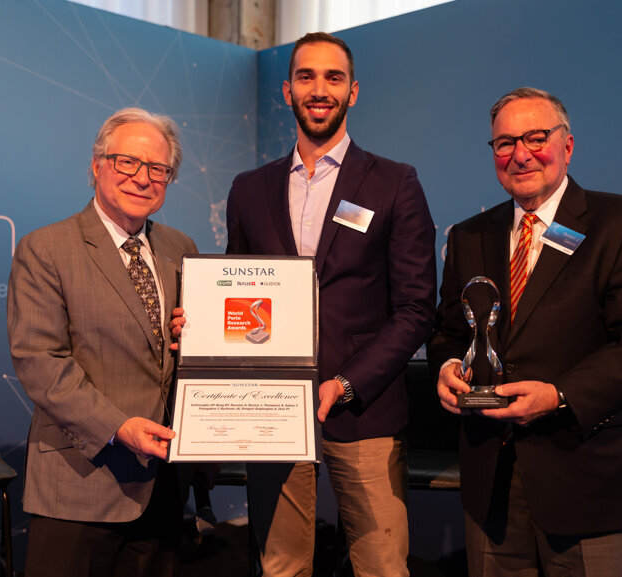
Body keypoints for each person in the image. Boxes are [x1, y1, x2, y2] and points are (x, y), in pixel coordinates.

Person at [173, 32, 436, 577]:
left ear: (354, 92)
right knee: (282, 566)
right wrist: (198, 326)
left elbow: (415, 309)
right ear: (287, 91)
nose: (320, 89)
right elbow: (240, 297)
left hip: (364, 410)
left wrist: (346, 384)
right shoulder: (249, 187)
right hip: (272, 412)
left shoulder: (394, 183)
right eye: (307, 77)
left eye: (334, 78)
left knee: (382, 566)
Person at [428, 87, 622, 577]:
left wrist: (558, 394)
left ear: (568, 145)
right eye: (504, 143)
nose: (520, 154)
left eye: (535, 137)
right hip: (491, 485)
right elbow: (449, 332)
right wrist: (447, 365)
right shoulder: (467, 236)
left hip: (588, 478)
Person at [7, 107, 198, 577]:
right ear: (96, 166)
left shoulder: (182, 249)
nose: (142, 178)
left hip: (165, 487)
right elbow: (40, 361)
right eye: (126, 162)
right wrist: (118, 426)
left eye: (158, 169)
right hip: (81, 481)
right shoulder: (46, 248)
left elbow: (184, 353)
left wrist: (190, 337)